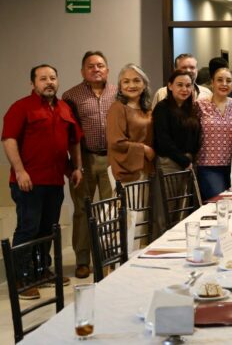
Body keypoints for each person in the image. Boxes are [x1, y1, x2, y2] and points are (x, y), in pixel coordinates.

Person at [2, 64, 83, 299]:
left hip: (54, 181)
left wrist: (75, 168)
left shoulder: (64, 108)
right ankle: (20, 278)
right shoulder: (21, 107)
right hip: (28, 181)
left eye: (53, 78)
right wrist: (20, 171)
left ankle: (41, 272)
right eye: (43, 78)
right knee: (28, 228)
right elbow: (8, 139)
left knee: (48, 229)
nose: (49, 82)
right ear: (33, 83)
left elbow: (73, 140)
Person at [61, 50, 117, 279]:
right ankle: (82, 261)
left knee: (110, 209)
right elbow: (68, 133)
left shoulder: (117, 92)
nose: (96, 69)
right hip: (84, 158)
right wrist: (75, 164)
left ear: (107, 69)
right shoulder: (71, 96)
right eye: (91, 66)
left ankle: (108, 257)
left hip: (111, 159)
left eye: (100, 65)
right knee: (83, 210)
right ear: (82, 71)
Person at [195, 65, 232, 199]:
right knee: (219, 202)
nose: (224, 84)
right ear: (212, 83)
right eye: (219, 80)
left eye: (228, 81)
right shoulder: (199, 105)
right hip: (208, 165)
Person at [107, 63, 155, 183]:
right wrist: (144, 149)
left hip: (145, 168)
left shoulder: (147, 109)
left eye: (136, 80)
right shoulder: (117, 108)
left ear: (144, 85)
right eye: (126, 82)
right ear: (120, 86)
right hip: (126, 171)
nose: (131, 85)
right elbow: (116, 143)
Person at [152, 69, 201, 174]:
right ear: (170, 86)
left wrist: (191, 158)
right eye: (179, 85)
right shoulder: (162, 108)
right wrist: (184, 161)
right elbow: (163, 141)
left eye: (188, 85)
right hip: (169, 163)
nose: (184, 89)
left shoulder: (191, 108)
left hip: (189, 162)